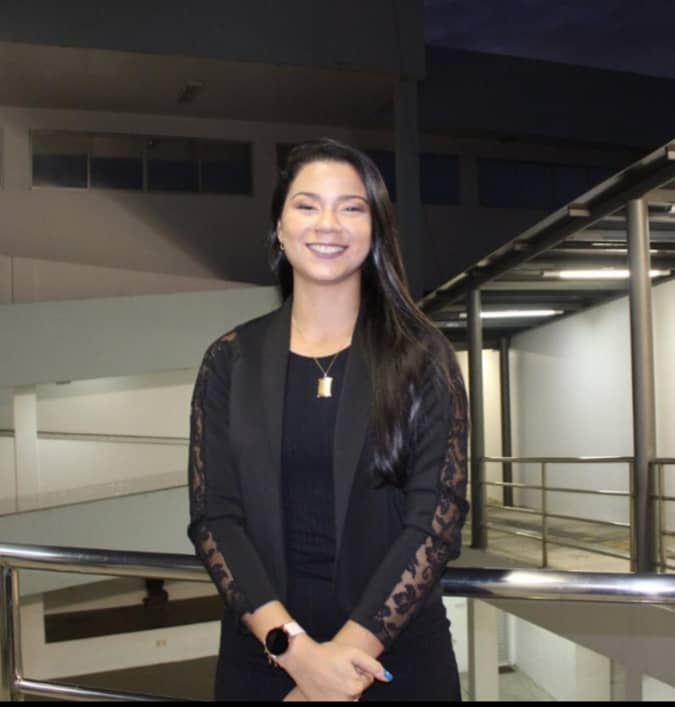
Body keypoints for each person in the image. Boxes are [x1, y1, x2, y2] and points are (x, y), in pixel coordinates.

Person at [187, 138, 469, 701]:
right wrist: (298, 656)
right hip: (264, 656)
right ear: (279, 227)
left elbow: (436, 522)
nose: (328, 224)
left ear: (376, 228)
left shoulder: (422, 358)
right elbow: (215, 518)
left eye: (351, 207)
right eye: (307, 205)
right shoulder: (229, 360)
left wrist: (340, 666)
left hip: (393, 660)